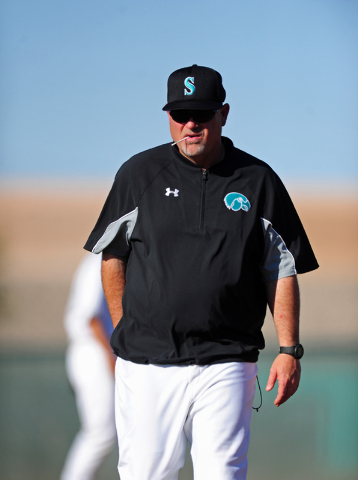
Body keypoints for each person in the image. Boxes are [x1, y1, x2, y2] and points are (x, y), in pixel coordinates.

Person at [84, 65, 319, 480]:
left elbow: (280, 268)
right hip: (147, 363)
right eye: (180, 114)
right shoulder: (139, 174)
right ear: (169, 117)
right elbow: (112, 256)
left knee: (222, 473)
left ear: (224, 114)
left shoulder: (258, 180)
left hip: (227, 360)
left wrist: (289, 349)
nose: (191, 124)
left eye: (203, 113)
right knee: (147, 475)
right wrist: (124, 329)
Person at [61, 253, 116, 480]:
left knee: (110, 432)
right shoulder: (101, 258)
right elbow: (90, 318)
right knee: (100, 432)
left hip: (96, 350)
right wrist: (112, 360)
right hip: (92, 350)